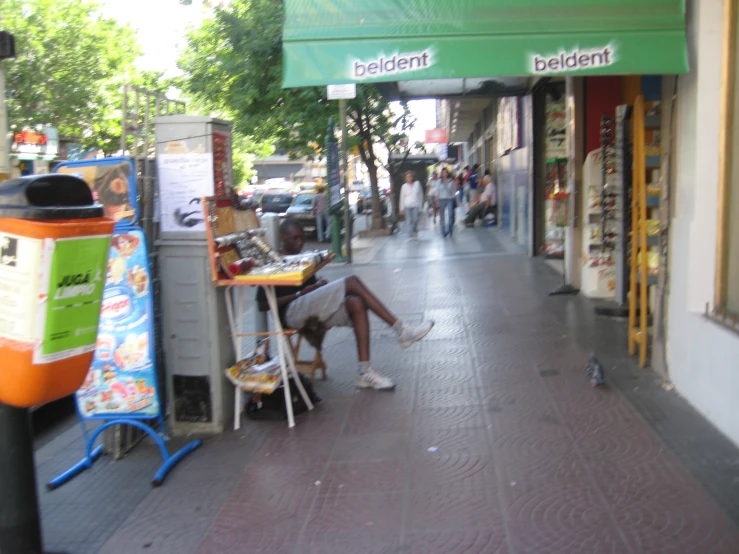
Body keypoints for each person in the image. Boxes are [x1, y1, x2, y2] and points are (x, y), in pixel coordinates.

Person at [256, 219, 435, 390]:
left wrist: (318, 286)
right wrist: (299, 293)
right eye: (295, 238)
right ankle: (402, 331)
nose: (300, 242)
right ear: (282, 238)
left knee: (356, 303)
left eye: (302, 237)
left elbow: (312, 290)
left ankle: (365, 373)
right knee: (352, 281)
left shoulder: (303, 258)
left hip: (309, 308)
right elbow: (263, 305)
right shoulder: (274, 263)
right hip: (291, 314)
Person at [399, 171, 424, 239]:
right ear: (405, 178)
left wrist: (421, 206)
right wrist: (401, 208)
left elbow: (420, 195)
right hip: (407, 205)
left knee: (415, 219)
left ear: (413, 177)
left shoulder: (417, 184)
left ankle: (415, 231)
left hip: (416, 205)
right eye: (407, 177)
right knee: (409, 220)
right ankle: (410, 234)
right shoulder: (404, 186)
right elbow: (402, 197)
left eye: (410, 176)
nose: (409, 178)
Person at [434, 167, 456, 238]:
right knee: (442, 216)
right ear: (441, 173)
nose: (445, 174)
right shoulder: (439, 182)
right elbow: (436, 191)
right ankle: (443, 231)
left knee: (450, 215)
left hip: (449, 199)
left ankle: (450, 230)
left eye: (446, 172)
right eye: (443, 172)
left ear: (448, 173)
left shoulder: (451, 181)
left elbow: (454, 191)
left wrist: (455, 200)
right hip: (441, 199)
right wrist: (437, 201)